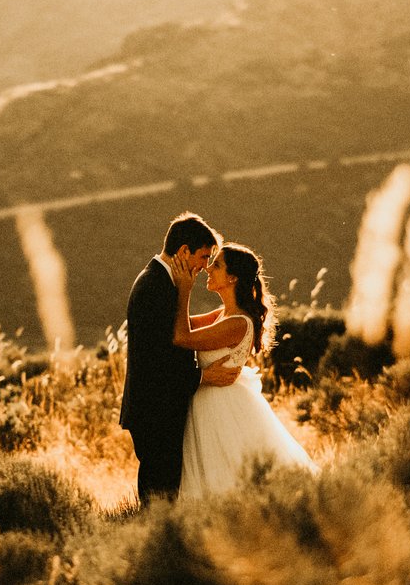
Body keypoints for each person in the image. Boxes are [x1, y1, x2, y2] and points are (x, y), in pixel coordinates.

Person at [171, 242, 319, 498]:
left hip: (221, 407)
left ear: (232, 278)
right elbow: (177, 322)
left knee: (228, 476)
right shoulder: (223, 314)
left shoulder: (238, 323)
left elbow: (181, 337)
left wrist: (185, 289)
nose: (207, 268)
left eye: (216, 264)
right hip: (209, 399)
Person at [120, 213, 241, 504]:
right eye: (202, 256)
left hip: (159, 406)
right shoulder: (156, 287)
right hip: (154, 409)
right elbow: (158, 360)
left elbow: (175, 332)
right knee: (159, 496)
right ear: (184, 251)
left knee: (163, 492)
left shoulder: (161, 281)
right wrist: (204, 376)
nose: (204, 266)